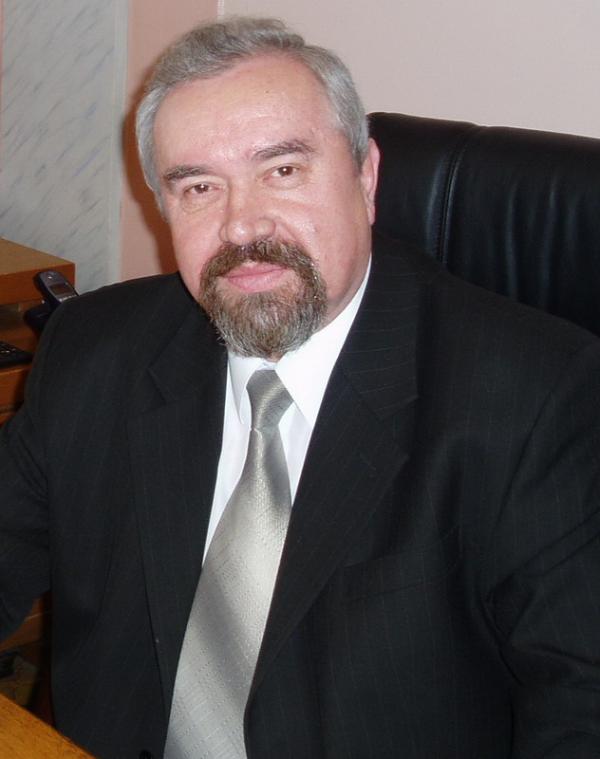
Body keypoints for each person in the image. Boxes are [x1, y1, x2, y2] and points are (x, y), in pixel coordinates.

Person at [1, 16, 600, 759]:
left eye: (282, 170)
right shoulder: (96, 349)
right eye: (198, 186)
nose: (241, 225)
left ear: (366, 177)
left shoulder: (538, 399)